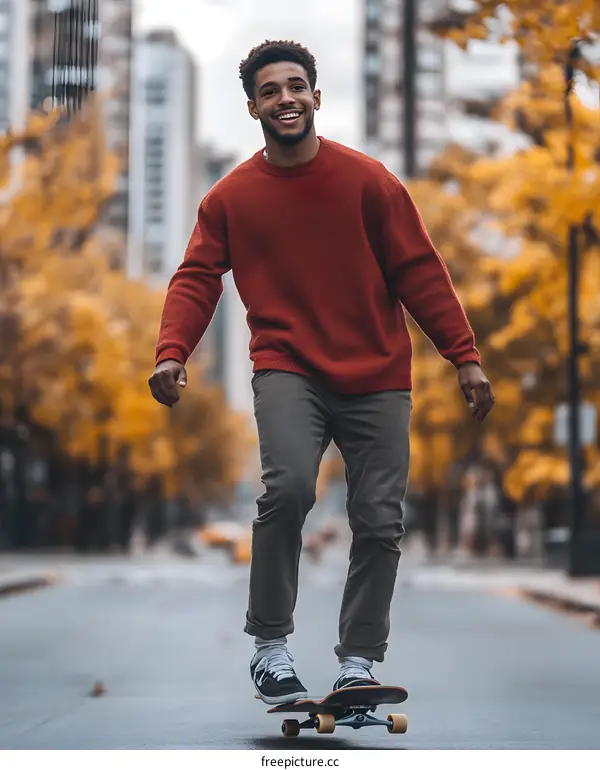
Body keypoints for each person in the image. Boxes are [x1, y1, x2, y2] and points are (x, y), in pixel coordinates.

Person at [148, 40, 495, 704]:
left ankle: (358, 662)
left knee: (379, 518)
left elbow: (420, 273)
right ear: (253, 106)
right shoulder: (230, 198)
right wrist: (172, 352)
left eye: (296, 86)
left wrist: (465, 357)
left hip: (379, 372)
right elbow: (196, 279)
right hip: (288, 368)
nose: (286, 98)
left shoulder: (370, 184)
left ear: (316, 96)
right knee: (286, 491)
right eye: (271, 90)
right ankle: (270, 647)